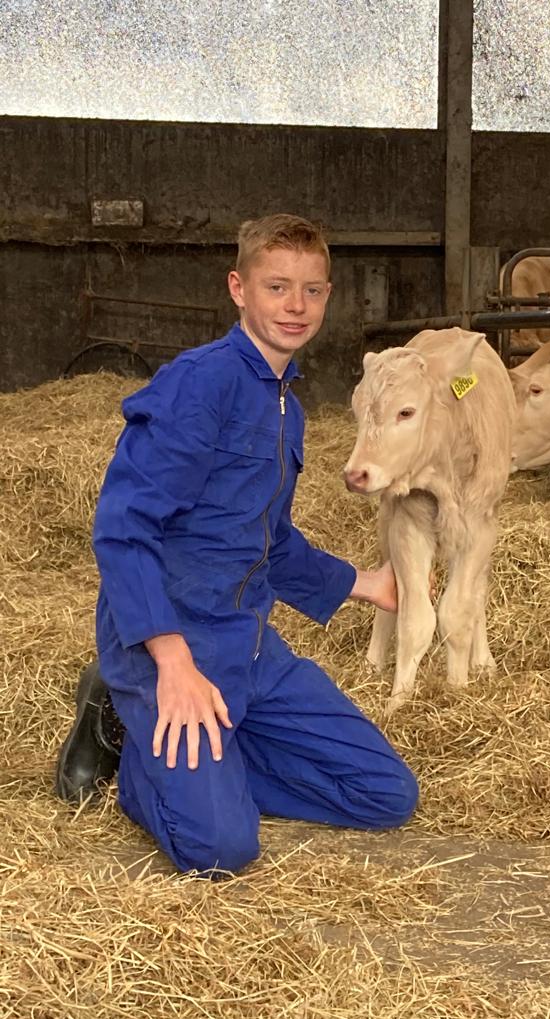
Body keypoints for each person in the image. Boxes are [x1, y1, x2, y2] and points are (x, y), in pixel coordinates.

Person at [55, 214, 419, 875]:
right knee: (220, 848)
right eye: (277, 287)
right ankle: (133, 750)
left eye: (311, 290)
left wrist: (368, 585)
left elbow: (269, 542)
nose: (295, 305)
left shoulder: (288, 409)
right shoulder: (200, 384)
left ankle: (208, 765)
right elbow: (124, 527)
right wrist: (172, 662)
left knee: (385, 794)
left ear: (328, 296)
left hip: (247, 646)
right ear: (239, 288)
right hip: (171, 644)